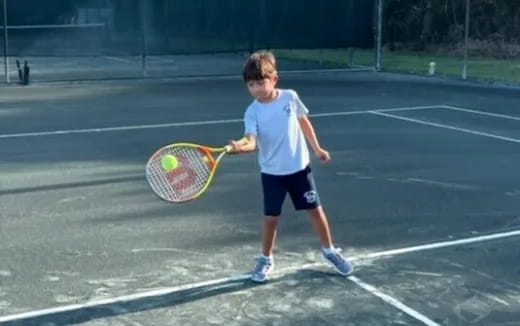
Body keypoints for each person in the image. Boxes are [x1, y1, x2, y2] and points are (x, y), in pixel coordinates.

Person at [229, 51, 353, 282]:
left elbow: (303, 121)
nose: (256, 88)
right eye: (251, 84)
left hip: (299, 169)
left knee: (315, 211)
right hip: (272, 173)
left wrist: (317, 148)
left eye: (261, 82)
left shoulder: (289, 97)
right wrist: (239, 146)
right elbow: (251, 141)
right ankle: (266, 259)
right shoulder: (252, 111)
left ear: (274, 79)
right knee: (270, 218)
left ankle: (329, 251)